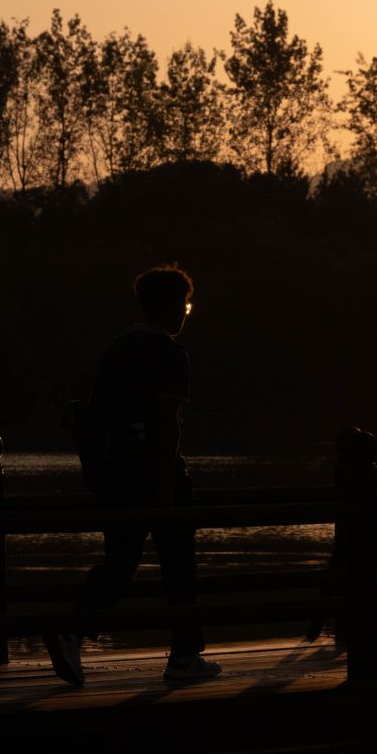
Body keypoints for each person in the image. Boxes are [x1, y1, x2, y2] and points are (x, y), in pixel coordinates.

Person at [49, 265, 221, 686]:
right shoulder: (171, 355)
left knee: (121, 562)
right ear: (173, 306)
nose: (186, 313)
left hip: (118, 472)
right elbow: (167, 424)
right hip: (158, 475)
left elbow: (98, 415)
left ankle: (74, 626)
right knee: (179, 564)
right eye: (186, 305)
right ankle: (184, 655)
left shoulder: (119, 348)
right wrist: (165, 486)